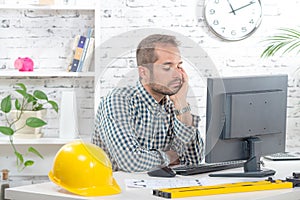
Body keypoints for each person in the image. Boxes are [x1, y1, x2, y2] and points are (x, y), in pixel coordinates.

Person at [92, 34, 204, 172]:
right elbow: (131, 162)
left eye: (179, 66)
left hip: (160, 188)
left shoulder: (173, 106)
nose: (177, 75)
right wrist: (170, 157)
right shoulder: (118, 101)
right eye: (167, 67)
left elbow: (193, 160)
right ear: (144, 72)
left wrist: (182, 105)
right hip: (121, 190)